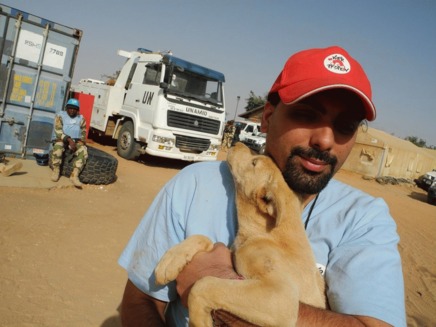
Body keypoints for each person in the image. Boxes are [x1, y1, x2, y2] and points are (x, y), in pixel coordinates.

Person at [118, 46, 406, 327]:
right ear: (267, 117)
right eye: (307, 115)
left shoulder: (363, 219)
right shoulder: (193, 185)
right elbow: (141, 299)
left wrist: (219, 282)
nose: (325, 141)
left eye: (345, 126)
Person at [50, 98, 88, 188]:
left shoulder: (81, 118)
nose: (72, 110)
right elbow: (58, 131)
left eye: (74, 108)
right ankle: (56, 170)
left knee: (83, 151)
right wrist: (69, 140)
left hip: (75, 140)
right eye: (70, 108)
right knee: (58, 149)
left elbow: (83, 132)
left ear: (77, 110)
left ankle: (74, 175)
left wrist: (81, 143)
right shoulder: (60, 116)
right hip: (62, 139)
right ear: (66, 108)